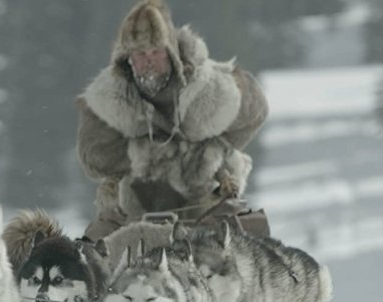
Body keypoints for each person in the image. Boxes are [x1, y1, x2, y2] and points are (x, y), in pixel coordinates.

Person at [76, 0, 270, 241]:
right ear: (128, 59)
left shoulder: (205, 85)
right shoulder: (110, 99)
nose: (148, 61)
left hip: (206, 196)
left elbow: (254, 112)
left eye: (155, 52)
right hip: (137, 204)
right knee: (95, 254)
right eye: (140, 54)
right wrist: (145, 154)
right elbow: (94, 156)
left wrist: (212, 146)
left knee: (242, 250)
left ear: (170, 53)